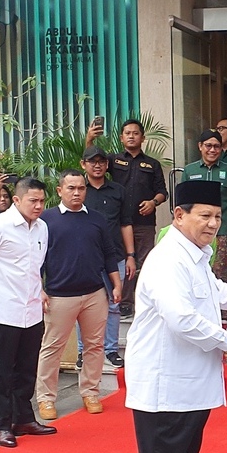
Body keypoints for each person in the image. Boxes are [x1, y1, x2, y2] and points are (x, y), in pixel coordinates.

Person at [126, 179, 227, 453]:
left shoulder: (195, 255)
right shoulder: (167, 259)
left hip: (191, 383)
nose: (212, 224)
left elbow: (218, 294)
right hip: (165, 385)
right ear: (179, 214)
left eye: (218, 217)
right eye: (204, 216)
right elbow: (182, 319)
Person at [0, 177, 55, 448]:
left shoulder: (42, 228)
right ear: (16, 200)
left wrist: (38, 290)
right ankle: (4, 425)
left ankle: (24, 419)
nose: (38, 206)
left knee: (27, 370)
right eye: (32, 201)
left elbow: (34, 267)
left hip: (32, 310)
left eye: (41, 201)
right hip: (2, 312)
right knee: (4, 372)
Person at [35, 171, 123, 422]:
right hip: (59, 295)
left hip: (95, 292)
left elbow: (108, 253)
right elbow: (37, 259)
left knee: (95, 346)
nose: (76, 193)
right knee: (53, 347)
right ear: (59, 190)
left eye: (81, 188)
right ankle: (46, 398)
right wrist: (37, 288)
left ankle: (91, 392)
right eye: (71, 188)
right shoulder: (46, 220)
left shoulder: (96, 219)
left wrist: (115, 284)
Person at [87, 118, 167, 317]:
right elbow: (91, 161)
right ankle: (124, 302)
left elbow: (163, 192)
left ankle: (144, 302)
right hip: (118, 223)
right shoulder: (113, 160)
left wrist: (153, 202)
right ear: (122, 138)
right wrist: (89, 139)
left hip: (144, 222)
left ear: (143, 138)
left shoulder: (152, 164)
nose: (131, 136)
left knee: (144, 263)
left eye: (136, 133)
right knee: (124, 262)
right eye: (127, 133)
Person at [80, 146, 135, 370]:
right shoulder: (78, 190)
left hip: (115, 256)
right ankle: (84, 352)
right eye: (92, 161)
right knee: (83, 307)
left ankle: (111, 350)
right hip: (85, 258)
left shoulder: (118, 191)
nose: (97, 165)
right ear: (84, 164)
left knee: (114, 305)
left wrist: (131, 255)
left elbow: (125, 223)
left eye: (101, 161)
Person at [183, 130, 227, 282]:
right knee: (195, 269)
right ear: (200, 146)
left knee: (221, 272)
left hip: (222, 231)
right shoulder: (190, 170)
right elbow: (183, 203)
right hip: (195, 231)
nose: (212, 150)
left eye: (217, 146)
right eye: (208, 146)